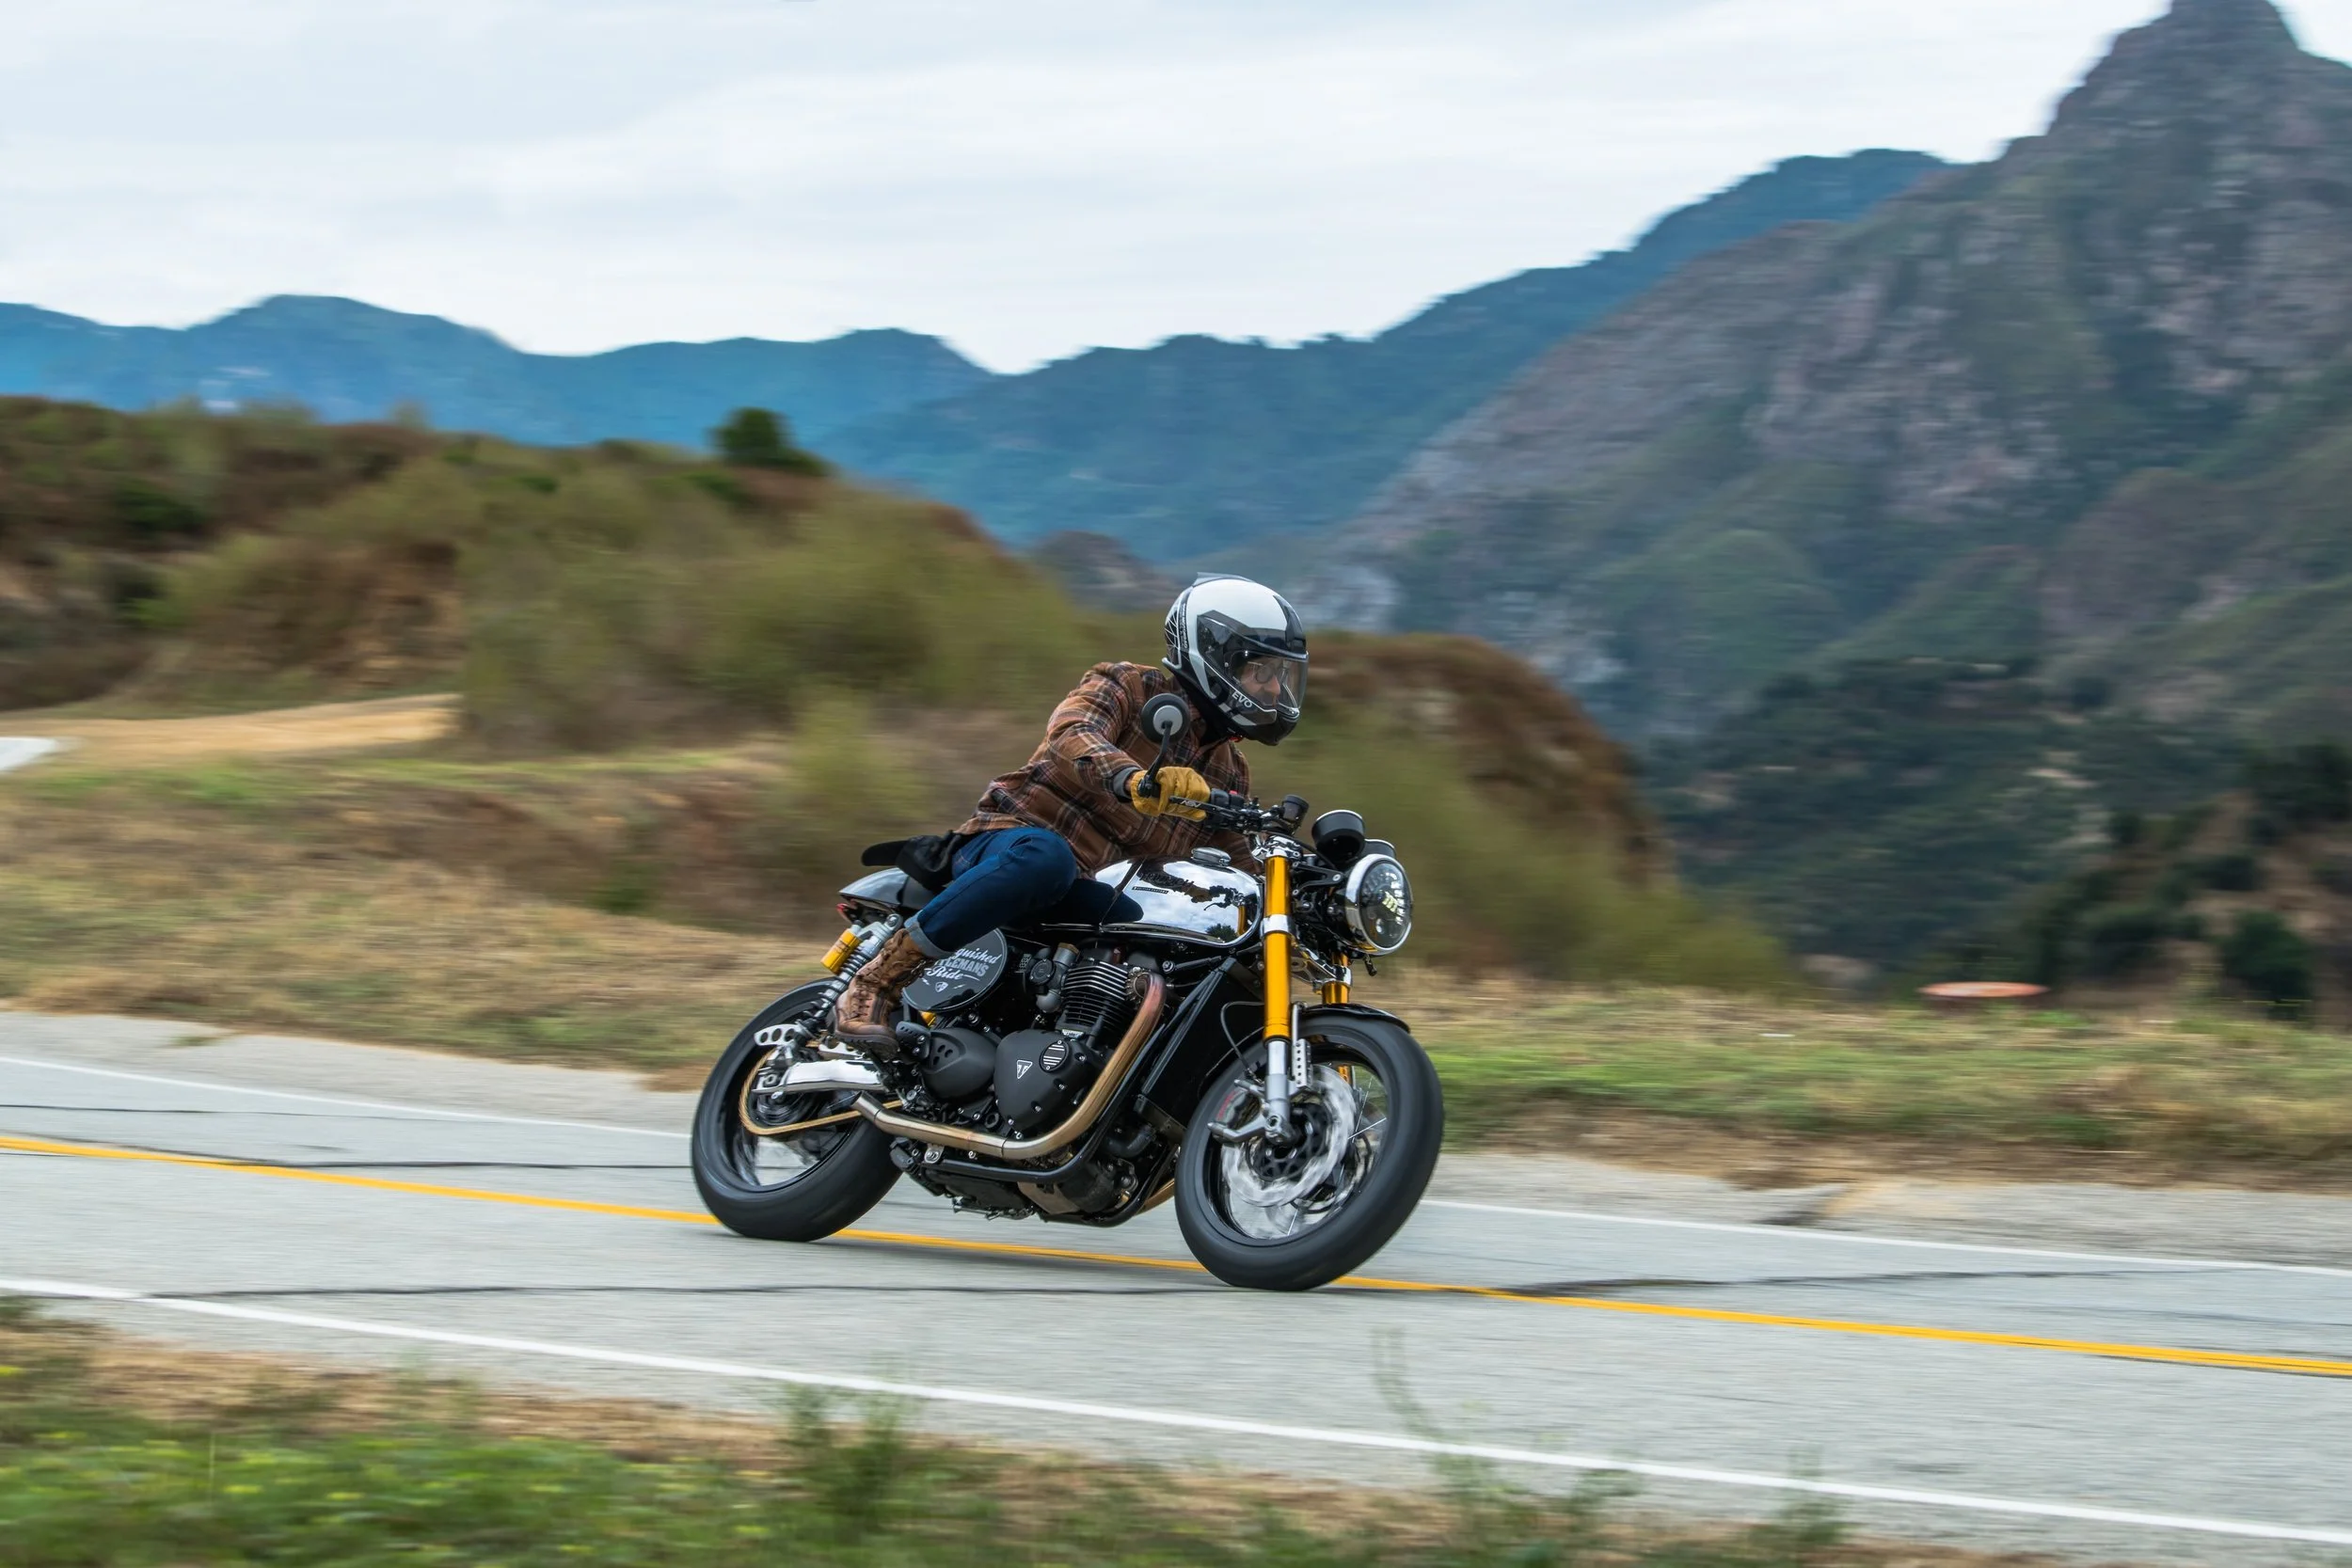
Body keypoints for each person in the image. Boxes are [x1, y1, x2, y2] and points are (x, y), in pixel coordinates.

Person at [833, 575, 1310, 1053]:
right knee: (1046, 858)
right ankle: (879, 980)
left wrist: (1291, 906)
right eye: (1261, 671)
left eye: (1280, 675)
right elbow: (1072, 733)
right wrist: (1133, 779)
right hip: (1010, 843)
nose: (1273, 689)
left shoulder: (1229, 769)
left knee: (1182, 940)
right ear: (1216, 657)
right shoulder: (1126, 684)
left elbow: (1236, 859)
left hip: (1089, 893)